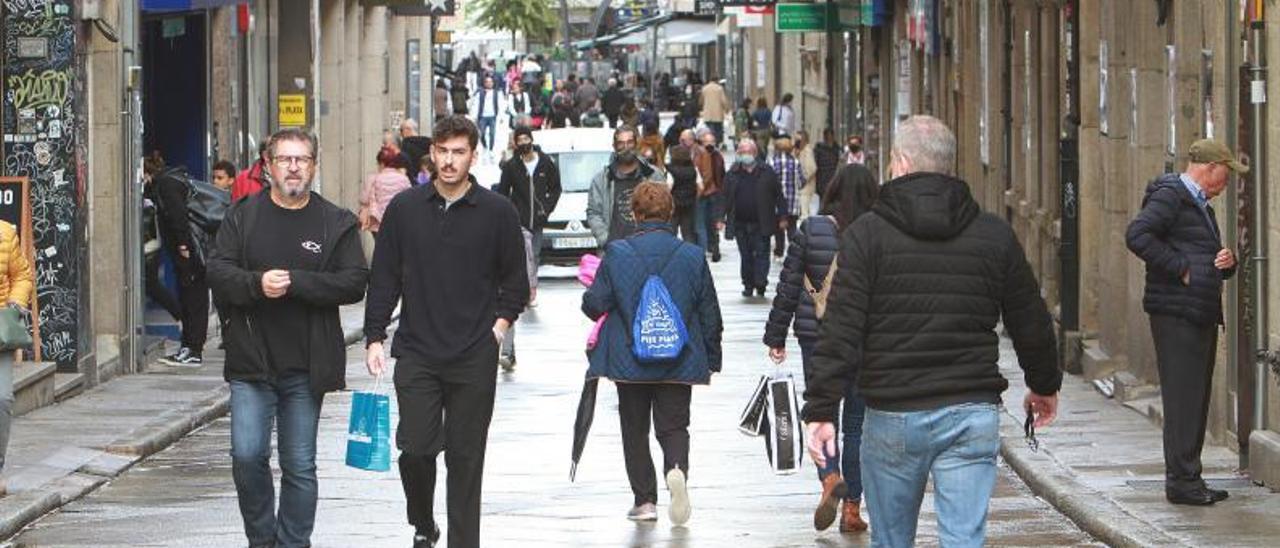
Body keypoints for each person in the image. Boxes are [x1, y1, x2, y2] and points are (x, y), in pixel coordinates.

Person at [803, 116, 1061, 547]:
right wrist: (1043, 384)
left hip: (892, 412)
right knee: (963, 539)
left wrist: (822, 408)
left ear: (901, 163)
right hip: (970, 410)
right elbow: (1029, 318)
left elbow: (842, 327)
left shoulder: (866, 236)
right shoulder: (993, 234)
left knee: (892, 540)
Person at [364, 116, 529, 548]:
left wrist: (498, 329)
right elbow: (383, 278)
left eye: (459, 152)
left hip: (474, 352)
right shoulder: (405, 209)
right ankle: (422, 520)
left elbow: (516, 282)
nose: (450, 160)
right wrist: (374, 336)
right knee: (415, 449)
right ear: (431, 154)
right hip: (417, 349)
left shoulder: (497, 212)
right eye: (443, 151)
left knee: (466, 458)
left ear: (473, 156)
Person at [208, 128, 369, 548]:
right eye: (285, 159)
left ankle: (293, 543)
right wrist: (257, 284)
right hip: (251, 363)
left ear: (314, 166)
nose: (294, 167)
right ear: (268, 165)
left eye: (302, 159)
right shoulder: (242, 216)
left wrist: (297, 282)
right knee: (247, 458)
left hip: (306, 366)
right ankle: (262, 540)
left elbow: (354, 282)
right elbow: (218, 272)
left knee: (300, 466)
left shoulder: (335, 222)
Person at [581, 181, 722, 525]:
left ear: (636, 214)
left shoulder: (617, 253)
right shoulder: (691, 255)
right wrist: (712, 358)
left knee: (634, 427)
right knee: (674, 426)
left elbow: (594, 304)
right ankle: (676, 469)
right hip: (681, 358)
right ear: (670, 212)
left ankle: (644, 501)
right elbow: (710, 313)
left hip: (630, 361)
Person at [1125, 139, 1242, 506]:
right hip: (1177, 312)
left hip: (1194, 311)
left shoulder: (1197, 202)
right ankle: (1182, 482)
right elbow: (1138, 235)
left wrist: (1224, 261)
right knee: (1183, 399)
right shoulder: (1171, 195)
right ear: (1209, 167)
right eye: (1224, 176)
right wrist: (1182, 269)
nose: (1225, 186)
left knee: (1193, 398)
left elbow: (1197, 249)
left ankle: (1189, 478)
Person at [764, 160, 879, 534]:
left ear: (831, 191)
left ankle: (830, 476)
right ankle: (851, 509)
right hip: (863, 341)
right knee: (857, 427)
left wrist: (776, 335)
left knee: (822, 416)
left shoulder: (811, 230)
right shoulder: (877, 233)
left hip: (817, 338)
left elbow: (789, 284)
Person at [495, 126, 563, 370]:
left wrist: (547, 207)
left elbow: (556, 187)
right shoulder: (512, 167)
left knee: (535, 254)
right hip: (521, 221)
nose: (524, 143)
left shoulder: (546, 163)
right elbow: (503, 192)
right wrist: (511, 212)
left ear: (532, 141)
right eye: (519, 140)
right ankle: (529, 289)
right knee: (527, 257)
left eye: (526, 139)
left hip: (539, 221)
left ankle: (531, 288)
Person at [144, 153, 210, 367]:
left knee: (193, 298)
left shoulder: (166, 184)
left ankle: (193, 350)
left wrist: (183, 246)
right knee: (189, 296)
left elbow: (178, 216)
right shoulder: (173, 179)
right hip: (188, 249)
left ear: (147, 173)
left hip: (189, 251)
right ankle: (188, 347)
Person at [721, 138, 785, 297]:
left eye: (748, 152)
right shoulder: (733, 173)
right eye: (742, 152)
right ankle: (748, 284)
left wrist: (783, 216)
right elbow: (724, 197)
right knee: (746, 255)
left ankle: (761, 281)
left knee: (762, 252)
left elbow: (778, 195)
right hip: (740, 223)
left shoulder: (767, 172)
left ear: (755, 154)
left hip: (761, 221)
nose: (745, 155)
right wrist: (719, 217)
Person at [586, 126, 668, 247]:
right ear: (614, 146)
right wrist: (605, 239)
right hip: (615, 249)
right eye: (621, 143)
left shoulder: (653, 175)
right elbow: (594, 212)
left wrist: (659, 238)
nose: (626, 148)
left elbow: (665, 208)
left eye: (630, 142)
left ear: (636, 144)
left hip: (648, 247)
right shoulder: (602, 179)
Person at [0, 219, 33, 492]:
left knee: (2, 399)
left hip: (0, 333)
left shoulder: (5, 232)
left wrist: (16, 304)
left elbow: (22, 275)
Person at [358, 146, 413, 234]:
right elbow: (411, 198)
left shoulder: (373, 178)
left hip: (378, 223)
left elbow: (364, 199)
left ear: (382, 163)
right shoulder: (403, 179)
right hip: (399, 221)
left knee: (380, 245)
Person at [768, 135, 803, 259]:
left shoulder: (771, 162)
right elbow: (801, 182)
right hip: (792, 202)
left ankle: (779, 251)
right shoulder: (796, 162)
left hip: (776, 203)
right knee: (792, 228)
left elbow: (768, 182)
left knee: (778, 229)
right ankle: (794, 252)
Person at [693, 129, 725, 262]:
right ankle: (712, 247)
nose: (710, 144)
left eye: (712, 142)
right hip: (710, 192)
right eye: (707, 142)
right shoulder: (706, 154)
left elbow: (719, 175)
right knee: (708, 221)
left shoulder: (710, 155)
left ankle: (710, 247)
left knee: (707, 222)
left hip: (710, 192)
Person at [667, 145, 700, 244]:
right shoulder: (693, 170)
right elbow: (701, 186)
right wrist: (694, 196)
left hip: (674, 204)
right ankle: (690, 254)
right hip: (689, 204)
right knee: (688, 233)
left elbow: (669, 187)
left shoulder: (670, 170)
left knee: (671, 231)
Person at [471, 76, 504, 152]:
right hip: (482, 116)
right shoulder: (480, 93)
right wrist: (474, 116)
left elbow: (501, 105)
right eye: (487, 82)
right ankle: (485, 146)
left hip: (493, 116)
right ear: (484, 83)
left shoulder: (497, 93)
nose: (489, 83)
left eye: (490, 82)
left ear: (493, 83)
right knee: (481, 134)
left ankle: (491, 149)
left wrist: (501, 116)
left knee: (492, 134)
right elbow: (476, 104)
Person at [699, 76, 730, 144]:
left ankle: (710, 142)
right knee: (718, 130)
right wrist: (727, 109)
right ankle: (718, 143)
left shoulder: (705, 88)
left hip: (707, 114)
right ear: (717, 80)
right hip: (717, 114)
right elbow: (723, 100)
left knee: (709, 129)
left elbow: (701, 101)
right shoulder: (719, 88)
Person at [813, 129, 842, 199]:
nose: (829, 138)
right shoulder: (819, 149)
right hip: (822, 180)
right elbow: (815, 165)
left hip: (833, 179)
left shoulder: (837, 149)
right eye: (827, 137)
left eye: (830, 136)